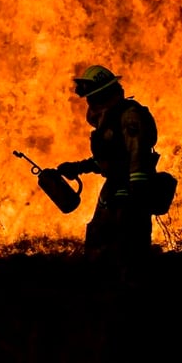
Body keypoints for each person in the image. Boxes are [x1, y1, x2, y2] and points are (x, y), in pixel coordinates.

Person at [57, 64, 160, 284]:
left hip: (131, 190)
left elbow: (137, 156)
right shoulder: (109, 119)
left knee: (128, 246)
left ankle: (132, 291)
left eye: (92, 97)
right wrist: (78, 167)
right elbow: (110, 159)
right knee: (99, 237)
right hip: (115, 188)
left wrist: (133, 193)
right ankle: (101, 288)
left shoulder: (129, 116)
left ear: (103, 94)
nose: (90, 103)